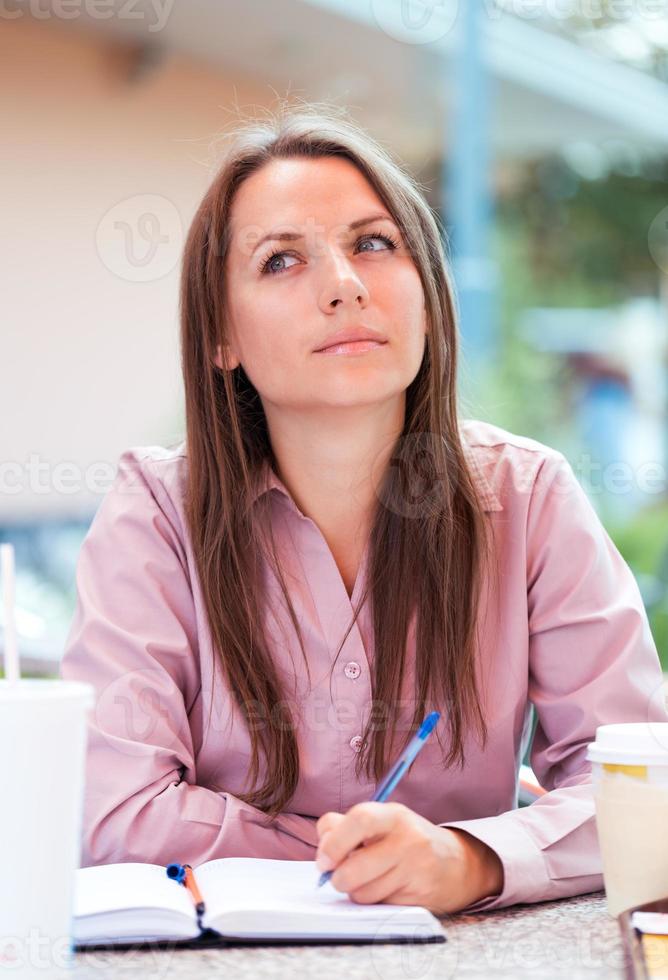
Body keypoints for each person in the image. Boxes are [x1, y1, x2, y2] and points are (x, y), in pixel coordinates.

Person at [60, 103, 668, 916]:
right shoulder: (157, 515)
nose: (344, 286)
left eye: (372, 244)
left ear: (425, 291)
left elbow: (636, 782)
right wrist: (383, 859)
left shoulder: (530, 498)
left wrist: (471, 860)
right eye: (281, 261)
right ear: (220, 337)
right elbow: (112, 810)